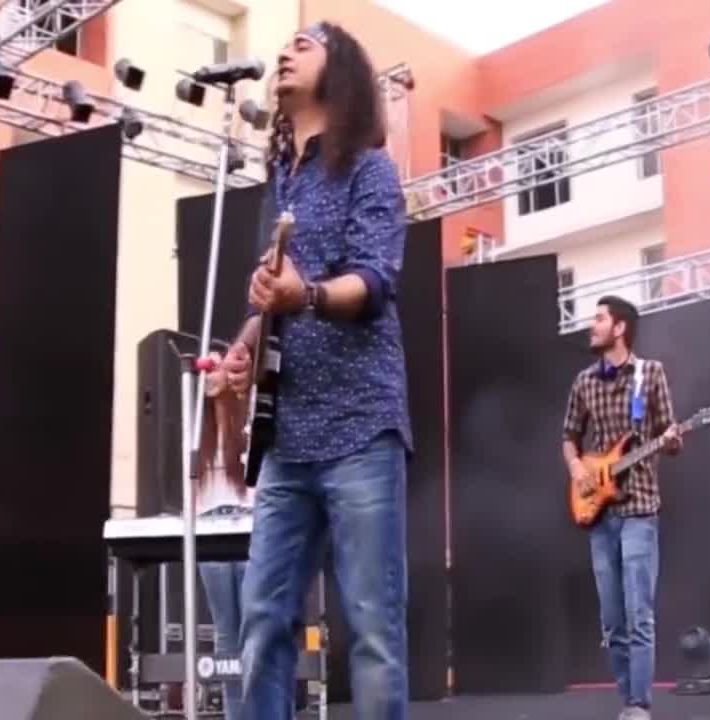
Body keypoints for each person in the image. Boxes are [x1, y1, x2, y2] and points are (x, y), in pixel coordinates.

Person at [221, 20, 412, 720]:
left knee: (372, 629)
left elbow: (375, 280)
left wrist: (302, 296)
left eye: (304, 45)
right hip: (288, 438)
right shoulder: (280, 183)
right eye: (284, 46)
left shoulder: (370, 169)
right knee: (261, 621)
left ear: (342, 72)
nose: (283, 53)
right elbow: (278, 294)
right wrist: (247, 341)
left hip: (361, 426)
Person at [561, 296, 681, 720]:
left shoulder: (651, 374)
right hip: (600, 513)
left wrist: (672, 440)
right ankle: (627, 696)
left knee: (638, 614)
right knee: (612, 620)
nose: (591, 325)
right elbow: (569, 436)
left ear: (620, 328)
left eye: (599, 318)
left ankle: (638, 704)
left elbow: (669, 434)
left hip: (640, 509)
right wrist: (578, 468)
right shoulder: (584, 382)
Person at [195, 351, 253, 720]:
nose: (211, 376)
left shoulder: (244, 425)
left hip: (245, 531)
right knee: (226, 634)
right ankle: (235, 715)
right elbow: (193, 489)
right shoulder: (196, 434)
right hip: (210, 533)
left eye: (217, 368)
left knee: (253, 629)